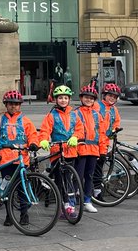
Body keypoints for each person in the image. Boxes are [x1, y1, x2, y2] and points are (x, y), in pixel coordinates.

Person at [0, 90, 38, 226]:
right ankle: (9, 215)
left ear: (20, 105)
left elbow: (33, 135)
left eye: (16, 104)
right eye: (10, 104)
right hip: (5, 160)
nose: (13, 106)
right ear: (6, 105)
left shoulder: (26, 121)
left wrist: (33, 144)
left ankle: (24, 214)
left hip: (21, 159)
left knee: (22, 188)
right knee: (7, 189)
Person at [38, 84, 81, 216]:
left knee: (69, 177)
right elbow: (45, 130)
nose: (63, 100)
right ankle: (63, 204)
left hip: (71, 151)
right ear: (56, 100)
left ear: (69, 99)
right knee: (59, 179)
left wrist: (75, 137)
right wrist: (44, 139)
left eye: (65, 98)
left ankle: (70, 204)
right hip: (57, 151)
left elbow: (80, 128)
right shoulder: (51, 115)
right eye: (60, 98)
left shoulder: (74, 114)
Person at [73, 85, 103, 214]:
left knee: (89, 176)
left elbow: (101, 133)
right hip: (80, 149)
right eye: (86, 97)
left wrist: (102, 150)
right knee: (77, 177)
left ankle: (87, 200)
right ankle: (72, 202)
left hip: (93, 149)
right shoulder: (75, 113)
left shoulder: (97, 114)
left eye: (91, 98)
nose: (89, 100)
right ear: (81, 98)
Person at [95, 82, 124, 198]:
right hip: (95, 142)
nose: (112, 98)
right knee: (96, 168)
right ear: (104, 95)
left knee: (99, 166)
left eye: (114, 97)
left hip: (105, 142)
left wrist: (114, 130)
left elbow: (116, 121)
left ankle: (97, 191)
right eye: (110, 95)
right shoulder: (97, 106)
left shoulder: (114, 109)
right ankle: (96, 192)